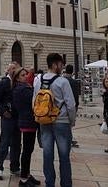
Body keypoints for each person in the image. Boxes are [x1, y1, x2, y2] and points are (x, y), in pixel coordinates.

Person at [33, 53, 76, 187]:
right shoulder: (63, 81)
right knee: (64, 157)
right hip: (61, 121)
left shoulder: (38, 80)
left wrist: (39, 117)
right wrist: (72, 121)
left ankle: (49, 183)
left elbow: (34, 101)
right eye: (61, 64)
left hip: (44, 122)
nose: (62, 67)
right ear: (55, 64)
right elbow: (71, 104)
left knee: (47, 155)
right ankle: (66, 184)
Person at [12, 67, 41, 186]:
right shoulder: (22, 89)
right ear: (18, 78)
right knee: (27, 150)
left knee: (29, 149)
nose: (25, 77)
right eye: (23, 75)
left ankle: (27, 174)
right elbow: (34, 100)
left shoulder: (22, 87)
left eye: (26, 74)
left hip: (27, 120)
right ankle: (23, 178)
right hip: (27, 121)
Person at [0, 61, 21, 180]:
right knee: (4, 142)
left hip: (18, 118)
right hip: (7, 118)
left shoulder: (19, 83)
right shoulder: (3, 83)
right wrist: (4, 111)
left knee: (17, 143)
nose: (14, 71)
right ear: (8, 70)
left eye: (16, 69)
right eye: (12, 69)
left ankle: (14, 167)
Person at [63, 64, 80, 147]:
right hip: (72, 104)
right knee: (70, 123)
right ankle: (68, 138)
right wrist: (76, 104)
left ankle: (69, 138)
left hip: (62, 105)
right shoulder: (74, 82)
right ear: (72, 71)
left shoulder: (61, 80)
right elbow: (76, 95)